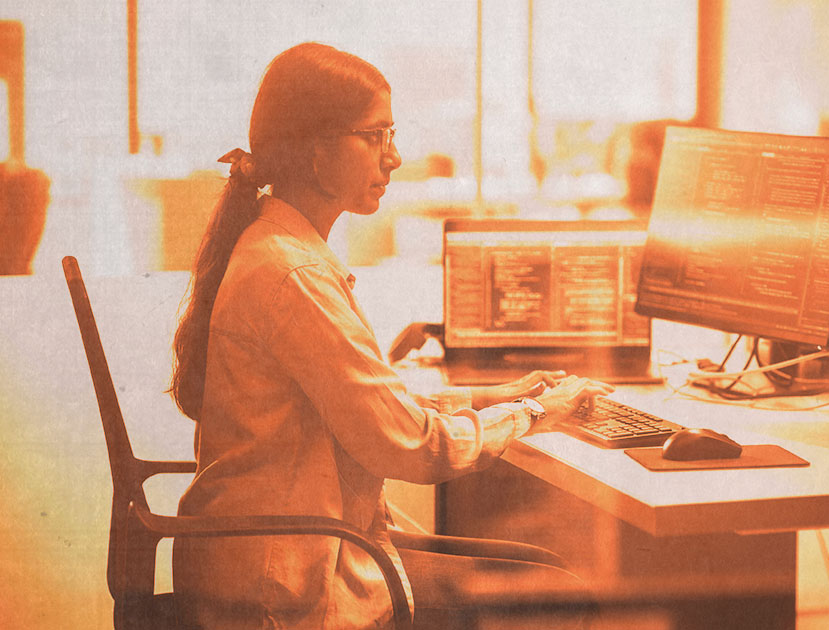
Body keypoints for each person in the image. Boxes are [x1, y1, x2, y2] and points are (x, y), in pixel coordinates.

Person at [168, 42, 612, 630]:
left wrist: (497, 397)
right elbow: (410, 445)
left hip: (282, 559)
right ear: (316, 151)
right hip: (288, 587)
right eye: (375, 136)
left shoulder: (283, 249)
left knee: (548, 573)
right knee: (559, 598)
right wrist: (535, 411)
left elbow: (375, 408)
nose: (395, 157)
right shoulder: (293, 274)